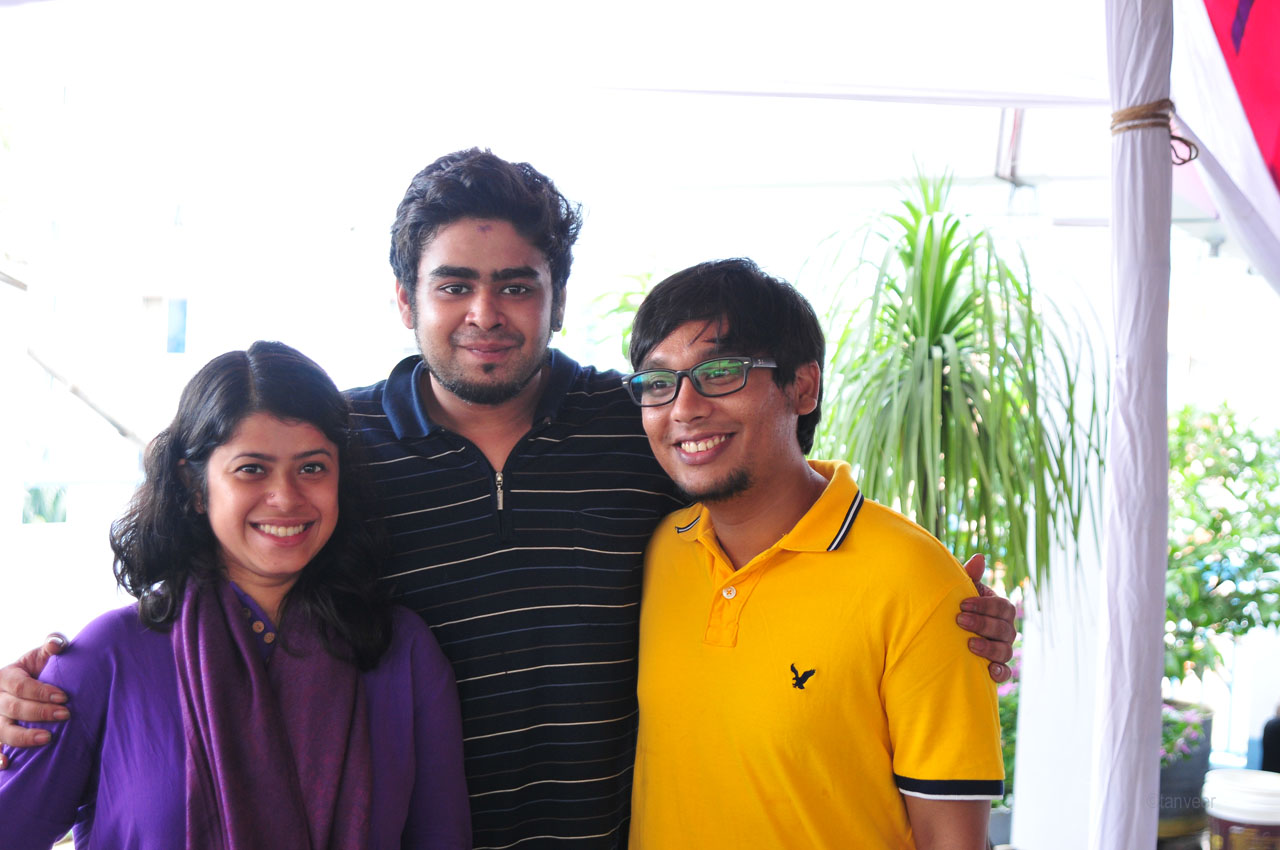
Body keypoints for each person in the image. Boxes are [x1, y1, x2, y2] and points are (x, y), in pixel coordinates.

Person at [0, 149, 1016, 849]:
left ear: (556, 299)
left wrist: (941, 613)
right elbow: (207, 573)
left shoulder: (641, 425)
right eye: (453, 285)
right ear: (406, 298)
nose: (485, 312)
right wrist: (46, 681)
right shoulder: (335, 447)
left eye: (517, 285)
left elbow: (777, 501)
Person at [0, 341, 471, 849]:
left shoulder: (401, 650)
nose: (286, 497)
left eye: (312, 467)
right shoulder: (106, 656)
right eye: (252, 469)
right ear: (195, 485)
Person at [623, 259, 1004, 849]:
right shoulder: (657, 550)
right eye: (657, 382)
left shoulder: (917, 581)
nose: (684, 407)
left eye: (720, 372)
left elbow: (951, 841)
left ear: (803, 387)